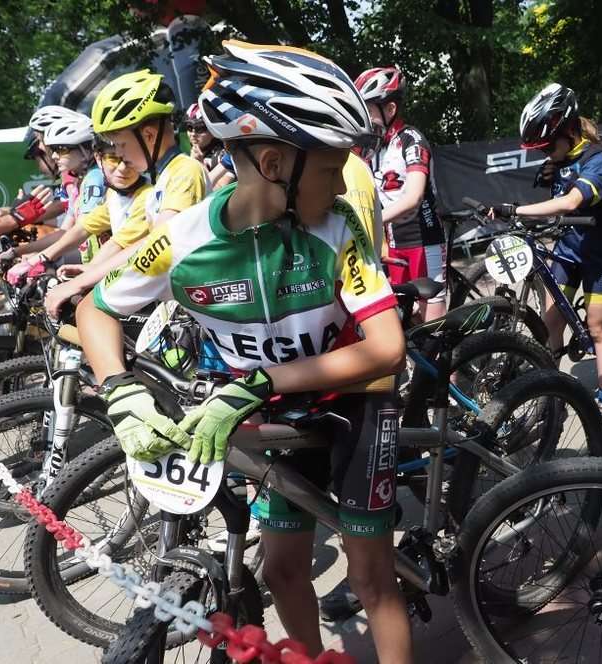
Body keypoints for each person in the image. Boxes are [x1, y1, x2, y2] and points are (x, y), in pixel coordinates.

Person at [77, 41, 412, 664]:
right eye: (331, 165)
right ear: (273, 160)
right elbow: (95, 310)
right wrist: (120, 391)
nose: (343, 181)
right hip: (274, 413)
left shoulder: (338, 225)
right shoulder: (186, 237)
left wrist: (257, 382)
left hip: (354, 402)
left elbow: (387, 347)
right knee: (284, 571)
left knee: (370, 579)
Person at [44, 69, 208, 316]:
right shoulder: (162, 179)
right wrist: (93, 270)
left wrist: (85, 281)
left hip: (201, 306)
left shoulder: (184, 171)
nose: (119, 155)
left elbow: (158, 244)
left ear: (149, 136)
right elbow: (133, 242)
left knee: (92, 314)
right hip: (185, 305)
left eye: (121, 144)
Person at [512, 82, 602, 427]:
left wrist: (518, 210)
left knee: (597, 327)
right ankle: (552, 392)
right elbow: (555, 186)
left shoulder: (597, 160)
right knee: (551, 325)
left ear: (569, 130)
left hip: (597, 255)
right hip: (567, 251)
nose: (545, 153)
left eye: (547, 146)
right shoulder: (559, 158)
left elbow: (571, 202)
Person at [354, 66, 447, 321]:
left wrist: (370, 221)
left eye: (369, 110)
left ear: (390, 109)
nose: (364, 119)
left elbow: (413, 197)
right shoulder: (374, 148)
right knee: (405, 320)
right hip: (394, 245)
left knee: (433, 327)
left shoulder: (411, 139)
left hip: (423, 240)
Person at [5, 112, 107, 282]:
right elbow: (65, 232)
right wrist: (19, 252)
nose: (52, 155)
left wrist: (36, 258)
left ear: (85, 150)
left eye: (61, 149)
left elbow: (80, 230)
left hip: (101, 265)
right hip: (93, 263)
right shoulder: (80, 180)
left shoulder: (94, 179)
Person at [184, 102, 225, 171]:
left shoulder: (223, 156)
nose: (193, 134)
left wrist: (200, 163)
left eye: (199, 129)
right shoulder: (187, 155)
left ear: (213, 131)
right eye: (189, 128)